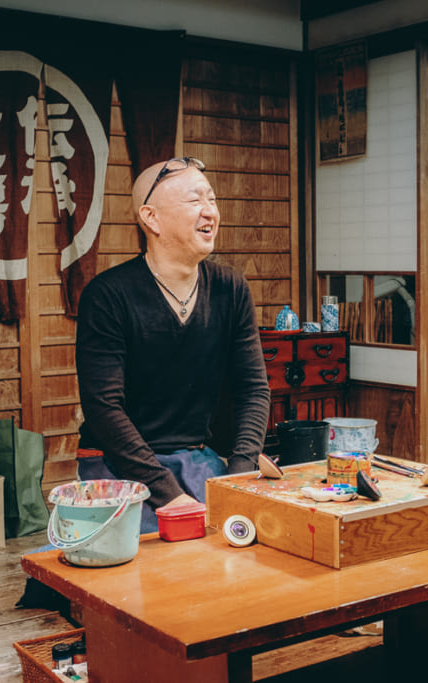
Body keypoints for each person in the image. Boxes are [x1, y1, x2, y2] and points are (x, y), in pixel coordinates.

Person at [75, 157, 271, 532]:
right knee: (151, 556)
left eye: (212, 199)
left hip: (197, 459)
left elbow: (253, 389)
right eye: (195, 200)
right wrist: (168, 494)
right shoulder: (108, 295)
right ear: (151, 218)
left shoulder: (230, 289)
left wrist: (240, 476)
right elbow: (104, 408)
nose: (210, 211)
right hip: (119, 462)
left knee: (248, 543)